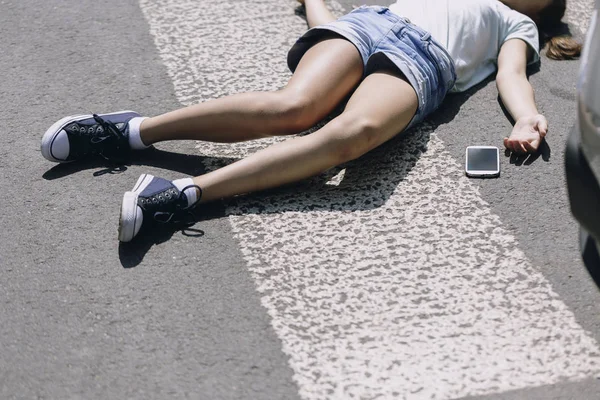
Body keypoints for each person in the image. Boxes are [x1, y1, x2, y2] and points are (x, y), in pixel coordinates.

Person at [40, 0, 581, 242]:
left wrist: (529, 116)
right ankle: (128, 131)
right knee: (295, 107)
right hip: (372, 26)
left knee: (350, 140)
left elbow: (513, 75)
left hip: (425, 64)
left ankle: (184, 194)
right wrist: (314, 6)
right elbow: (346, 22)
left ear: (545, 9)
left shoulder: (517, 24)